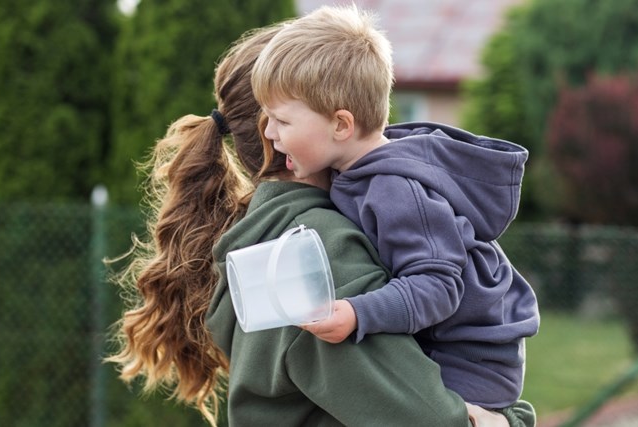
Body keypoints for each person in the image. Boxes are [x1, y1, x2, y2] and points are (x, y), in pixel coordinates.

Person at [106, 20, 536, 427]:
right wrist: (510, 421)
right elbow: (433, 420)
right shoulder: (318, 253)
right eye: (274, 119)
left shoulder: (272, 234)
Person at [251, 4, 540, 413]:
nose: (268, 132)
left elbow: (439, 287)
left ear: (340, 125)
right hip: (448, 350)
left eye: (282, 121)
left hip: (470, 364)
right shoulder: (357, 170)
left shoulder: (394, 189)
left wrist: (357, 312)